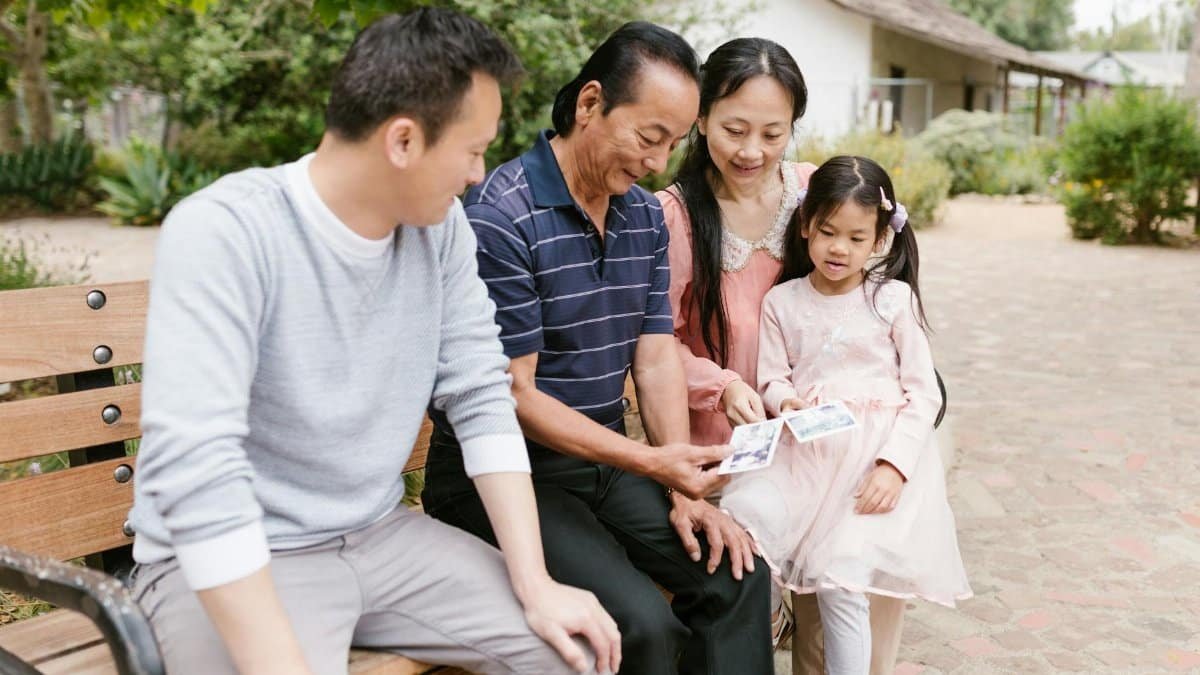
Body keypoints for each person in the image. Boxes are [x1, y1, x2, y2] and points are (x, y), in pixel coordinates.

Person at [126, 9, 620, 675]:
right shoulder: (226, 232)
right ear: (404, 142)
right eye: (473, 151)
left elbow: (480, 393)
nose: (480, 175)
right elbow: (198, 476)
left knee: (575, 651)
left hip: (383, 537)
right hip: (236, 556)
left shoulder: (440, 230)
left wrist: (536, 583)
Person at [422, 21, 772, 675]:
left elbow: (656, 355)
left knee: (737, 574)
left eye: (673, 143)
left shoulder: (642, 216)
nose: (659, 161)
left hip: (607, 467)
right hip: (507, 476)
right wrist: (653, 460)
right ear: (590, 104)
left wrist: (684, 490)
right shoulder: (503, 218)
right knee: (638, 623)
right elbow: (515, 397)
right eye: (649, 136)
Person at [658, 39, 909, 674]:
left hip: (829, 448)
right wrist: (719, 384)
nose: (752, 151)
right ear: (701, 117)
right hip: (733, 450)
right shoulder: (676, 216)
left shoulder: (816, 196)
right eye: (734, 129)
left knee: (835, 616)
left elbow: (876, 307)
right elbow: (656, 345)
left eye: (773, 133)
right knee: (747, 603)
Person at [720, 155, 973, 675]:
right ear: (807, 225)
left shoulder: (892, 300)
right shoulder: (782, 302)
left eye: (857, 238)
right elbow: (772, 376)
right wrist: (784, 401)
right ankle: (763, 631)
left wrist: (894, 465)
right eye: (828, 232)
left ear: (880, 240)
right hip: (808, 455)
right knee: (746, 522)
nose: (839, 248)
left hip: (871, 466)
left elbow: (923, 393)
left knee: (841, 579)